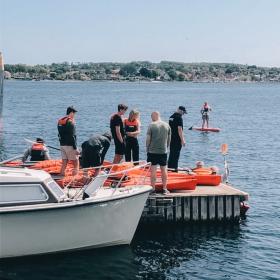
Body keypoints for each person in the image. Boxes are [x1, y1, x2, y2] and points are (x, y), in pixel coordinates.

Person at [146, 111, 171, 194]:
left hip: (152, 151)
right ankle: (164, 188)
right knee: (164, 170)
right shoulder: (167, 125)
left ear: (154, 116)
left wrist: (147, 148)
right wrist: (166, 148)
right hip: (163, 151)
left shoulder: (151, 125)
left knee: (153, 170)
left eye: (151, 116)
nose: (151, 118)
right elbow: (169, 139)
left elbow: (148, 138)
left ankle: (153, 189)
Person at [57, 106, 79, 176]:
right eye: (74, 113)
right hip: (70, 145)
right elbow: (72, 136)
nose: (74, 115)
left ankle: (62, 175)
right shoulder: (70, 122)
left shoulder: (60, 121)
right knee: (76, 162)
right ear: (71, 113)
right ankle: (75, 177)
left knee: (64, 161)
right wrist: (75, 148)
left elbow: (59, 134)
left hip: (62, 145)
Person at [168, 106, 187, 171]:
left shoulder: (171, 117)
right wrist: (183, 140)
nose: (183, 114)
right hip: (177, 139)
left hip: (171, 138)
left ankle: (169, 167)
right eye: (183, 113)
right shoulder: (179, 118)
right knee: (176, 154)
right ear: (181, 111)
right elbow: (179, 129)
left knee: (171, 153)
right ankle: (174, 169)